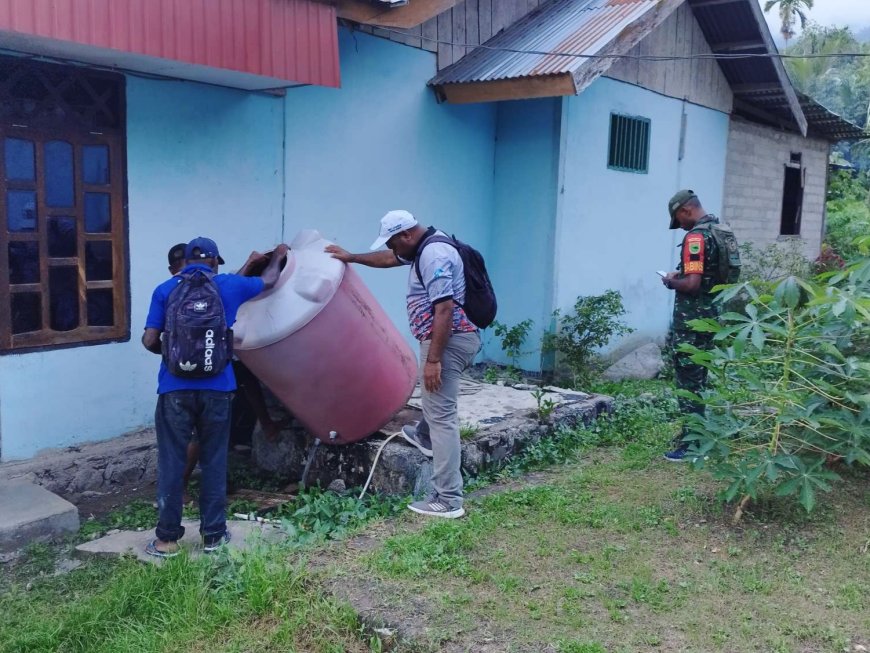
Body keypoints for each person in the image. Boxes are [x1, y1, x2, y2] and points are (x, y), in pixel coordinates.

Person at [326, 210, 480, 519]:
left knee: (443, 416)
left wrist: (434, 359)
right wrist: (351, 257)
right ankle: (424, 434)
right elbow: (388, 259)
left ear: (407, 235)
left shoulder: (433, 254)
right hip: (453, 339)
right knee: (436, 405)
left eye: (394, 243)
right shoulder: (422, 247)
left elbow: (445, 309)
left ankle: (448, 499)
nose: (393, 250)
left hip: (447, 341)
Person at [142, 237, 288, 557]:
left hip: (173, 389)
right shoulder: (230, 286)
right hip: (218, 389)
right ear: (214, 262)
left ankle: (167, 540)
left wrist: (172, 354)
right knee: (214, 462)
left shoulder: (164, 290)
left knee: (171, 463)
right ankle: (213, 537)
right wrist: (278, 255)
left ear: (187, 261)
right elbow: (269, 279)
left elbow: (150, 339)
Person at [661, 190, 722, 462]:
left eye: (679, 220)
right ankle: (697, 436)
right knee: (698, 377)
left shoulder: (696, 237)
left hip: (692, 321)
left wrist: (671, 281)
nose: (681, 226)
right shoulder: (719, 230)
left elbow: (693, 284)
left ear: (686, 210)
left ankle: (693, 446)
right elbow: (708, 276)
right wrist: (681, 273)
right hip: (711, 316)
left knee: (688, 380)